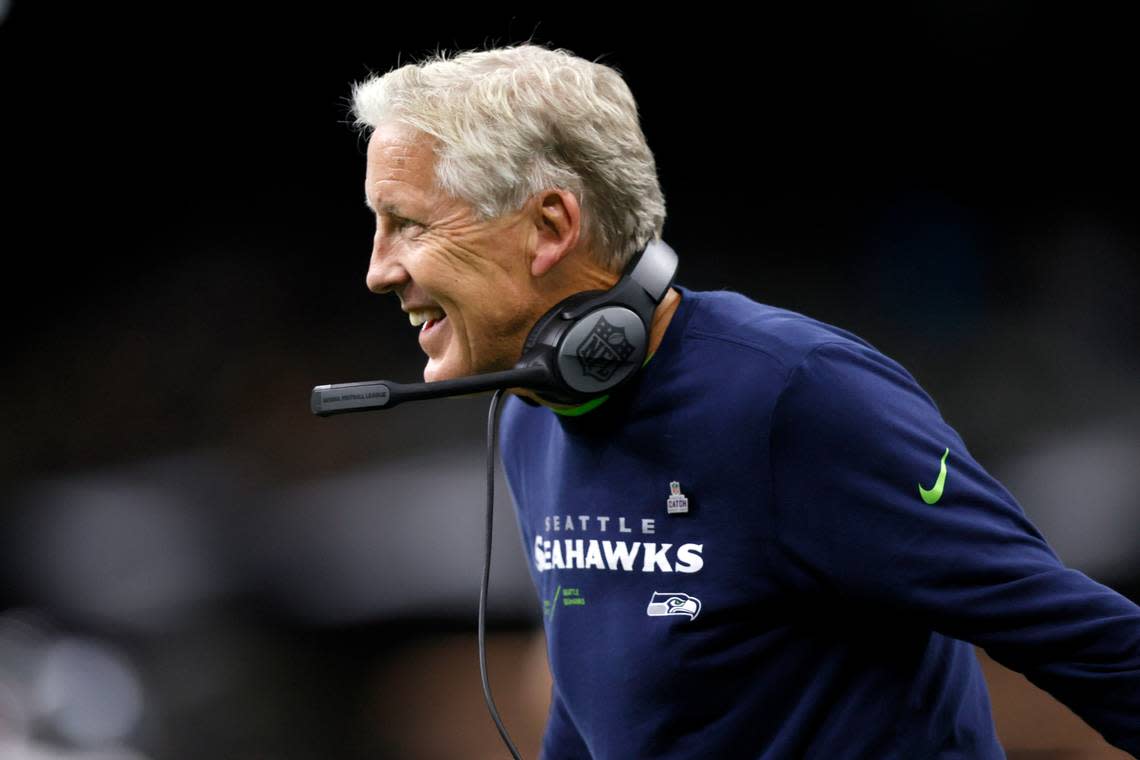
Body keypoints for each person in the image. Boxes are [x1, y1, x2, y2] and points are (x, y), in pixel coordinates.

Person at [351, 44, 1140, 758]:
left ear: (551, 225)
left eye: (408, 224)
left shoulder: (798, 394)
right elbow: (603, 710)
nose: (379, 269)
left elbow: (1090, 642)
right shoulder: (534, 412)